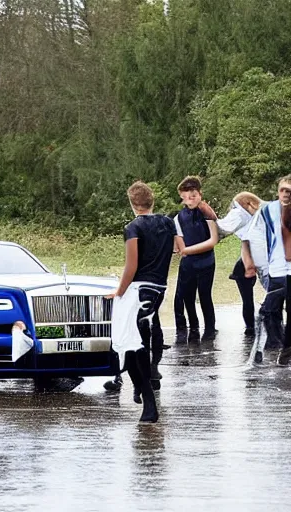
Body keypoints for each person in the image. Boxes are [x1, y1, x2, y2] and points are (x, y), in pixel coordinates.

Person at [108, 181, 176, 423]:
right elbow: (180, 248)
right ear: (152, 201)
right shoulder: (168, 222)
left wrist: (118, 292)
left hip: (139, 289)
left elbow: (132, 265)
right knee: (139, 342)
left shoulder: (133, 227)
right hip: (159, 288)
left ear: (131, 204)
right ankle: (141, 391)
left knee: (132, 345)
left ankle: (147, 401)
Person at [244, 176, 291, 364]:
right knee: (270, 309)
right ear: (278, 191)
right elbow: (249, 237)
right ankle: (273, 344)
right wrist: (250, 262)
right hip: (277, 268)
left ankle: (286, 349)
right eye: (284, 190)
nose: (286, 194)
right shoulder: (266, 211)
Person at [173, 176, 219, 342]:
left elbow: (213, 240)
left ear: (200, 194)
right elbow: (180, 243)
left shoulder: (206, 212)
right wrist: (184, 250)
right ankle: (193, 327)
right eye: (185, 197)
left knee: (205, 295)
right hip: (188, 264)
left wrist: (187, 250)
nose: (189, 200)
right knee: (187, 297)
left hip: (206, 261)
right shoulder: (178, 217)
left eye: (193, 196)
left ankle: (210, 328)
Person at [215, 192, 264, 336]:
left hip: (248, 264)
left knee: (248, 298)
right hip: (248, 264)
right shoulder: (259, 217)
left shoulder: (241, 215)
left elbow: (222, 226)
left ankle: (252, 326)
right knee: (252, 298)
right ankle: (253, 325)